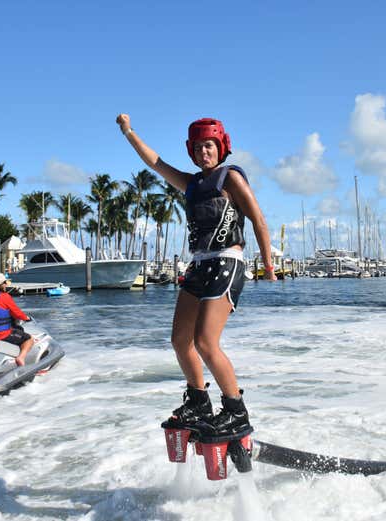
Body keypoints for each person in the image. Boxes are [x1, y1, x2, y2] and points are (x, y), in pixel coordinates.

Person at [116, 113, 277, 437]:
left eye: (209, 146)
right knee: (180, 341)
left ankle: (235, 410)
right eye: (199, 148)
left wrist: (268, 264)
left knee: (205, 342)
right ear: (191, 151)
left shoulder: (230, 178)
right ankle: (199, 401)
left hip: (226, 262)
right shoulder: (191, 184)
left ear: (221, 147)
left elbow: (258, 219)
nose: (204, 152)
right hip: (199, 266)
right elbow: (156, 163)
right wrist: (129, 132)